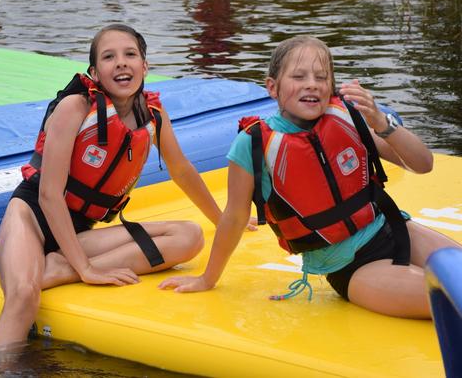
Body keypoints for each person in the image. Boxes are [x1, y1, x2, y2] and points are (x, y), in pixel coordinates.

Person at [160, 35, 461, 319]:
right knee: (453, 298)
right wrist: (208, 278)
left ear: (331, 86)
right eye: (299, 76)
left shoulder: (347, 118)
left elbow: (423, 164)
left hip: (395, 228)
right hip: (353, 268)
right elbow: (235, 218)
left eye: (321, 77)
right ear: (273, 87)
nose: (312, 85)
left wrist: (381, 122)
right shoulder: (252, 144)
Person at [0, 24, 238, 351]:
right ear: (95, 72)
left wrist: (222, 219)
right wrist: (87, 268)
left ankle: (57, 268)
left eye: (130, 54)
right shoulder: (75, 108)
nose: (121, 62)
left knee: (190, 237)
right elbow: (49, 195)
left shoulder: (153, 116)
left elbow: (181, 169)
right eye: (109, 57)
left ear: (145, 66)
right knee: (23, 295)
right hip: (33, 216)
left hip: (80, 231)